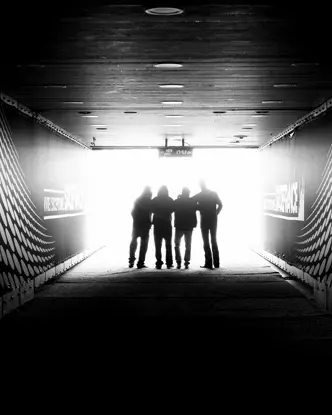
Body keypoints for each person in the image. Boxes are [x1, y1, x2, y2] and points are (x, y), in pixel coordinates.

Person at [192, 180, 223, 269]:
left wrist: (199, 207)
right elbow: (220, 205)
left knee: (205, 241)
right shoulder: (213, 193)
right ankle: (216, 263)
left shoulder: (199, 195)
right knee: (213, 239)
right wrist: (216, 213)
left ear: (200, 185)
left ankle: (208, 262)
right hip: (213, 219)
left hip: (204, 219)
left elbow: (190, 202)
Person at [128, 186, 152, 269]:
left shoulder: (138, 200)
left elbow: (132, 212)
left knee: (134, 242)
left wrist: (136, 219)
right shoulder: (149, 201)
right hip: (145, 226)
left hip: (136, 225)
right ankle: (140, 262)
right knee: (144, 245)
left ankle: (131, 261)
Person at [174, 187, 198, 269]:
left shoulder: (177, 201)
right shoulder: (192, 202)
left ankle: (178, 262)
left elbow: (171, 209)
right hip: (189, 226)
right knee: (188, 245)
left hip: (179, 225)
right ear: (188, 193)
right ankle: (186, 262)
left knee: (177, 245)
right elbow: (199, 207)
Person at [151, 185, 175, 269]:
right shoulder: (170, 200)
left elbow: (151, 210)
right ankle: (169, 262)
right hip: (167, 224)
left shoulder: (155, 200)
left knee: (158, 245)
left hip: (157, 224)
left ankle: (158, 262)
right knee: (168, 245)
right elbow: (173, 209)